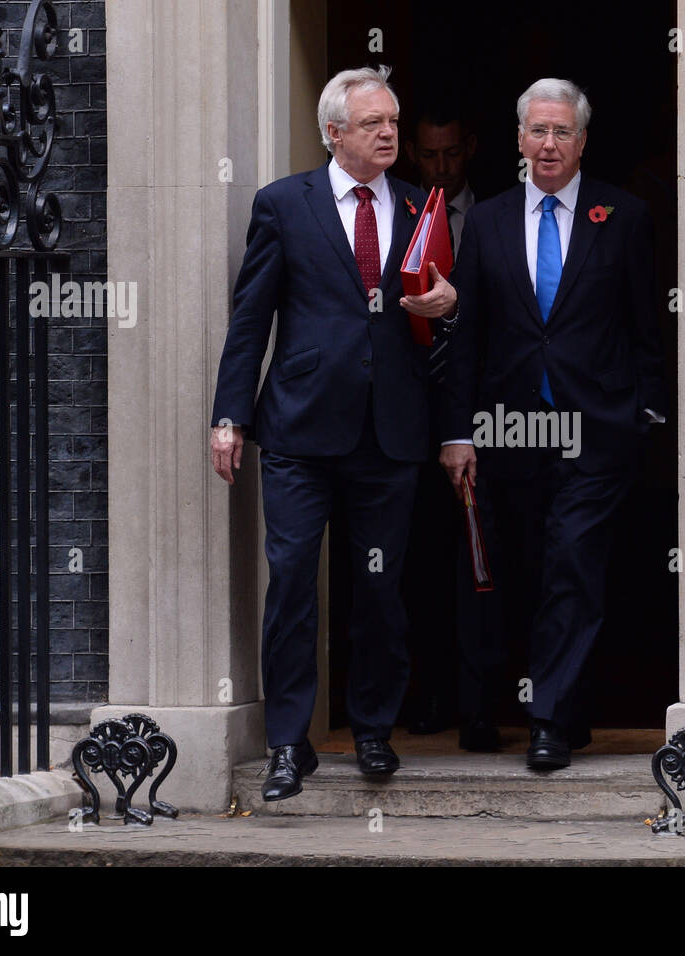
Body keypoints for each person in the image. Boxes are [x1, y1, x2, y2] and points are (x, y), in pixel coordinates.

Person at [209, 66, 456, 800]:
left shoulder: (419, 206)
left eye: (393, 121)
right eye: (373, 122)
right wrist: (231, 416)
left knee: (379, 587)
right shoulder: (285, 204)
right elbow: (251, 319)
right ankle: (288, 744)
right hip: (299, 433)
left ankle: (374, 729)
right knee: (291, 585)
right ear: (334, 132)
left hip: (390, 433)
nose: (389, 133)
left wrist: (448, 306)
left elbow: (444, 328)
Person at [436, 78, 668, 770]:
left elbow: (643, 328)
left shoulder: (621, 216)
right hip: (507, 432)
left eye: (562, 131)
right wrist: (458, 433)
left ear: (583, 141)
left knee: (573, 562)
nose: (548, 144)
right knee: (517, 571)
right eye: (537, 131)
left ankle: (548, 722)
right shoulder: (487, 222)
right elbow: (467, 337)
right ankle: (514, 704)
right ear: (517, 140)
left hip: (594, 431)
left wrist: (645, 415)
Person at [399, 108, 505, 751]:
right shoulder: (402, 215)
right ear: (415, 153)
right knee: (419, 562)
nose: (441, 168)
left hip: (488, 411)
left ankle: (480, 704)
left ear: (469, 148)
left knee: (481, 563)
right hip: (410, 412)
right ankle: (428, 692)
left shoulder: (495, 218)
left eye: (451, 155)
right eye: (429, 156)